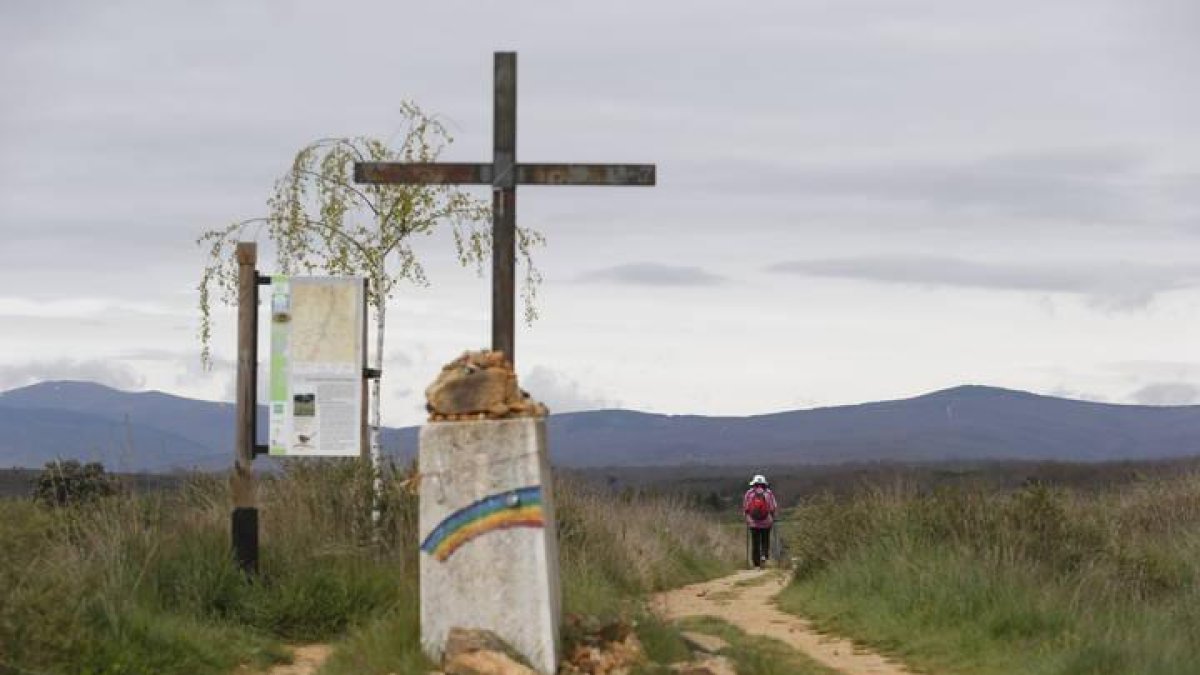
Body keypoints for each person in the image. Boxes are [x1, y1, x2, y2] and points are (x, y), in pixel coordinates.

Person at [743, 474, 778, 568]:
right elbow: (773, 507)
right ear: (764, 484)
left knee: (755, 542)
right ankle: (764, 555)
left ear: (753, 483)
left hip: (753, 522)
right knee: (765, 540)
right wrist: (773, 516)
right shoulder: (769, 493)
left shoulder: (749, 493)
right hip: (766, 522)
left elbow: (746, 507)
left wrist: (746, 518)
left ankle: (756, 564)